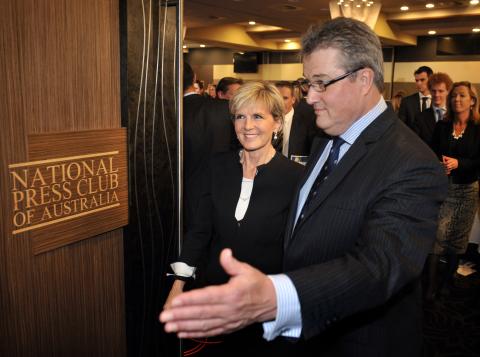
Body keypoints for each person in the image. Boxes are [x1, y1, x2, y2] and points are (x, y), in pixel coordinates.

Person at [161, 18, 447, 357]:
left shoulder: (412, 162)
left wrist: (276, 296)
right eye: (307, 83)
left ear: (364, 79)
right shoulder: (326, 140)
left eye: (322, 83)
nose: (309, 96)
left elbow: (378, 266)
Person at [164, 81, 304, 356]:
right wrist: (177, 285)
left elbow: (297, 251)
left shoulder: (296, 178)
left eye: (257, 116)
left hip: (262, 307)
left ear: (277, 123)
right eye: (240, 116)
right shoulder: (216, 166)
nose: (247, 125)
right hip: (214, 299)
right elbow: (199, 232)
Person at [426, 81, 480, 299]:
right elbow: (431, 152)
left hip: (468, 192)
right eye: (454, 96)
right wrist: (438, 164)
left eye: (462, 96)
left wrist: (460, 164)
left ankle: (447, 282)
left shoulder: (478, 129)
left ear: (472, 101)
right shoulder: (442, 126)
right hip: (445, 189)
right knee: (436, 239)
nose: (457, 99)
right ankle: (430, 286)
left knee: (457, 242)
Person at [273, 81, 317, 161]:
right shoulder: (264, 121)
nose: (280, 102)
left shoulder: (307, 122)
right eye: (276, 98)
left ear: (293, 100)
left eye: (285, 98)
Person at [412, 72, 453, 145]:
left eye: (440, 91)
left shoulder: (455, 116)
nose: (436, 95)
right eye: (434, 91)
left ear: (448, 91)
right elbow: (415, 144)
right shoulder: (420, 117)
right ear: (430, 91)